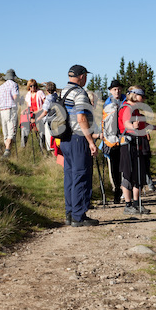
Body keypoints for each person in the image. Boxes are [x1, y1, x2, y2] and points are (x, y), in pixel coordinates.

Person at [60, 65, 99, 227]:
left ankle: (70, 213)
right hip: (78, 139)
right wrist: (91, 142)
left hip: (65, 139)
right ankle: (79, 215)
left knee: (69, 176)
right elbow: (81, 117)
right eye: (86, 76)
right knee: (81, 176)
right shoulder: (79, 93)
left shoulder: (63, 91)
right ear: (82, 76)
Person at [118, 86, 156, 215]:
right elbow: (126, 123)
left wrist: (154, 127)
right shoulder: (127, 108)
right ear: (135, 95)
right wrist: (132, 126)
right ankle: (128, 205)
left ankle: (137, 204)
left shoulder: (135, 110)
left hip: (136, 144)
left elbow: (142, 124)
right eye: (142, 95)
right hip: (128, 145)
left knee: (138, 175)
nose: (144, 98)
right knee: (129, 174)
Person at [102, 79, 126, 204]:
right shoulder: (107, 104)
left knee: (124, 167)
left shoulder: (126, 101)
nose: (117, 91)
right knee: (113, 168)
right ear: (110, 91)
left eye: (119, 89)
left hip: (124, 139)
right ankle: (116, 191)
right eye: (114, 89)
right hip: (111, 141)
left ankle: (124, 191)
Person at [0, 69, 20, 158]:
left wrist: (0, 107)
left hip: (2, 111)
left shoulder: (0, 87)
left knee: (5, 133)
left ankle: (7, 152)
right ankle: (7, 152)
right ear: (13, 77)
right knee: (11, 132)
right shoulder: (14, 85)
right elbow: (15, 97)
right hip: (11, 110)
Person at [36, 81, 58, 151]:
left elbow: (45, 112)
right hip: (57, 119)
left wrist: (38, 118)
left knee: (50, 141)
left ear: (47, 90)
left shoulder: (48, 99)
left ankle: (53, 157)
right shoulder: (56, 96)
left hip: (49, 121)